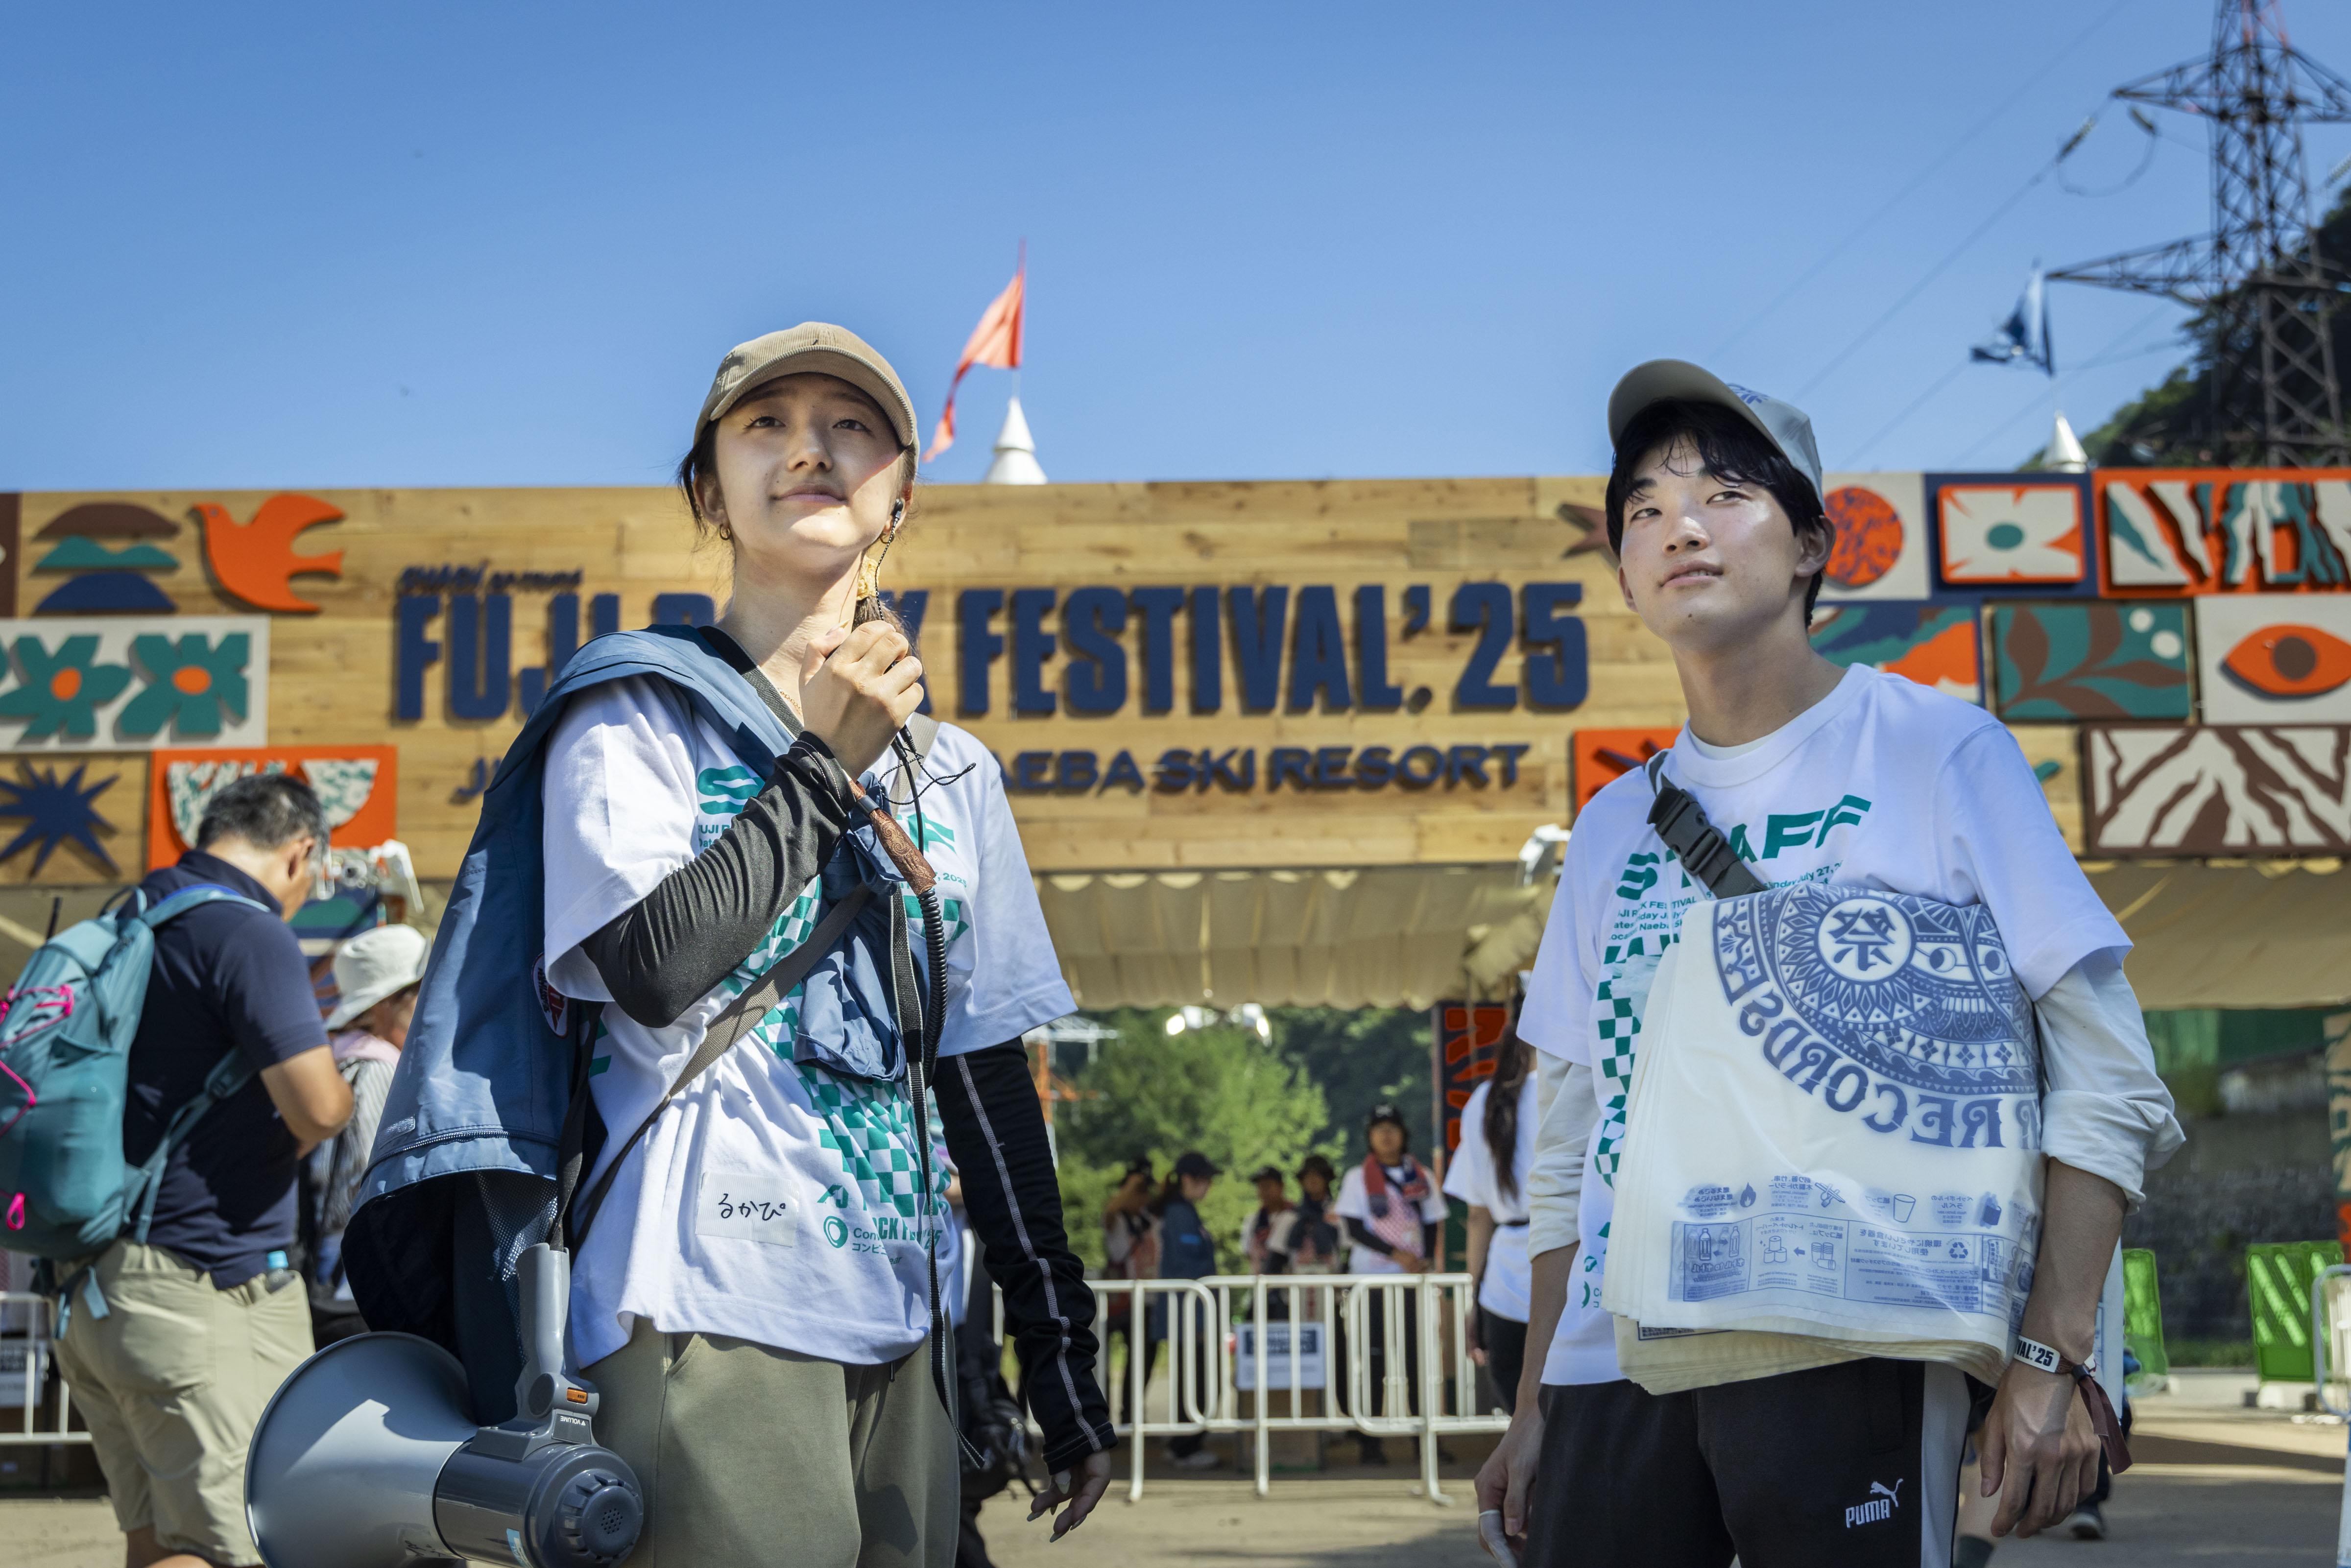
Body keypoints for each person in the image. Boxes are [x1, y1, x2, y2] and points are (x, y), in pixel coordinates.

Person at [358, 324, 1114, 1567]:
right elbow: (653, 968)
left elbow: (979, 1071)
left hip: (904, 1318)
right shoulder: (635, 708)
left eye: (851, 425)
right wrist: (823, 766)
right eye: (766, 424)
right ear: (709, 491)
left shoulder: (957, 772)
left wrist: (1057, 1347)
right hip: (698, 1305)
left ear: (901, 493)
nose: (810, 449)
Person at [1477, 361, 2182, 1568]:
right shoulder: (1609, 825)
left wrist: (2048, 1358)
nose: (1679, 527)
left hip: (1855, 1338)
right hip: (1612, 1361)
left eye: (1723, 495)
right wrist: (1537, 1394)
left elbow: (2106, 1070)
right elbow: (1567, 1137)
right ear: (1623, 568)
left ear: (1810, 543)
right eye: (1644, 508)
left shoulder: (1934, 748)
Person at [52, 775, 354, 1568]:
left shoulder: (130, 915)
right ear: (301, 853)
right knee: (238, 1546)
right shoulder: (248, 932)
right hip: (200, 1289)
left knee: (159, 1543)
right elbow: (318, 1108)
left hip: (95, 1286)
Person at [304, 922, 430, 1347]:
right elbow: (374, 1183)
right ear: (385, 1005)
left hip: (331, 1258)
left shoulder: (338, 1058)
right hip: (357, 1268)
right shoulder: (377, 1070)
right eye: (421, 993)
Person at [1334, 1105, 1446, 1464]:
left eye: (1392, 1128)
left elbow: (1432, 1221)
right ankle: (1371, 1444)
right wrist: (1398, 1254)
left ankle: (1423, 1444)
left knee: (1416, 1359)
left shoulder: (1421, 1175)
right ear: (1370, 1137)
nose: (1386, 1135)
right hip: (1371, 1280)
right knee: (1374, 1359)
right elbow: (1353, 1228)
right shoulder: (1357, 1177)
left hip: (1412, 1281)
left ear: (1403, 1134)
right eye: (1379, 1128)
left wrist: (1424, 1260)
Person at [1444, 1035, 1537, 1415]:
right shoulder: (1565, 1092)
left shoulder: (1481, 1101)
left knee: (1519, 1416)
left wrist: (1474, 1301)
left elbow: (1477, 1215)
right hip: (1566, 1261)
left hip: (1502, 1281)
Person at [1152, 1151, 1222, 1469]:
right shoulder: (1180, 1213)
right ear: (1187, 1180)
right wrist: (1201, 1320)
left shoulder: (1181, 1211)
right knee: (1199, 1381)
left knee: (1193, 1379)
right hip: (1190, 1314)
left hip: (1189, 1313)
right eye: (1204, 1180)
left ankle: (1183, 1443)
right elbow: (1186, 1267)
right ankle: (1186, 1447)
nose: (1208, 1186)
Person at [1101, 1158, 1161, 1408]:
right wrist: (1133, 1182)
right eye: (1137, 1191)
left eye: (1145, 1190)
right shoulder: (1117, 1220)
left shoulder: (1150, 1220)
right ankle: (1102, 1414)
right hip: (1120, 1299)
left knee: (1143, 1358)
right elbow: (1109, 1212)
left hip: (1147, 1299)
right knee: (1101, 1358)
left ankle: (1131, 1413)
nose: (1141, 1196)